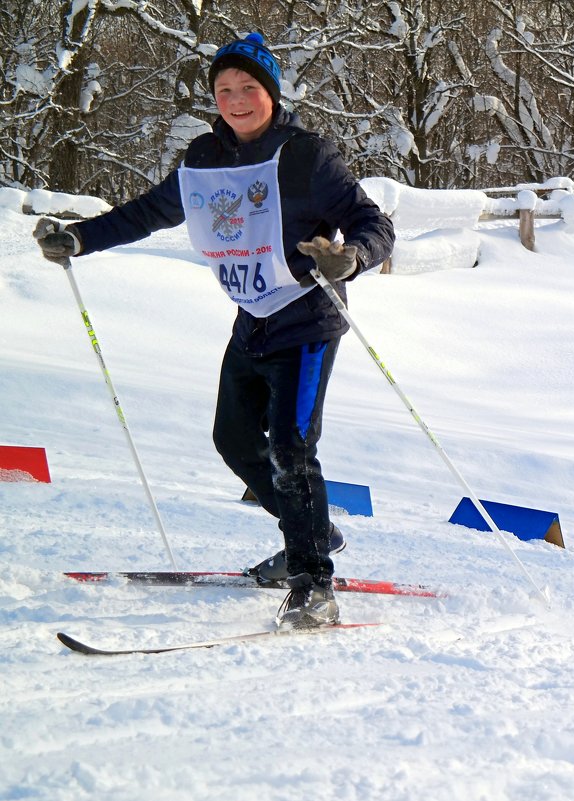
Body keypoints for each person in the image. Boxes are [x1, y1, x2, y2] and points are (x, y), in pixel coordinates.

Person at [33, 33, 395, 629]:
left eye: (248, 88)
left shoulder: (307, 156)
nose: (235, 100)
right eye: (224, 90)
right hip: (252, 319)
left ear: (271, 94)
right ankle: (316, 531)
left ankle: (313, 584)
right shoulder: (204, 159)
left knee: (291, 448)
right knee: (232, 439)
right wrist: (80, 238)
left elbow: (370, 221)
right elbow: (150, 212)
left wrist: (351, 256)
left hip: (307, 319)